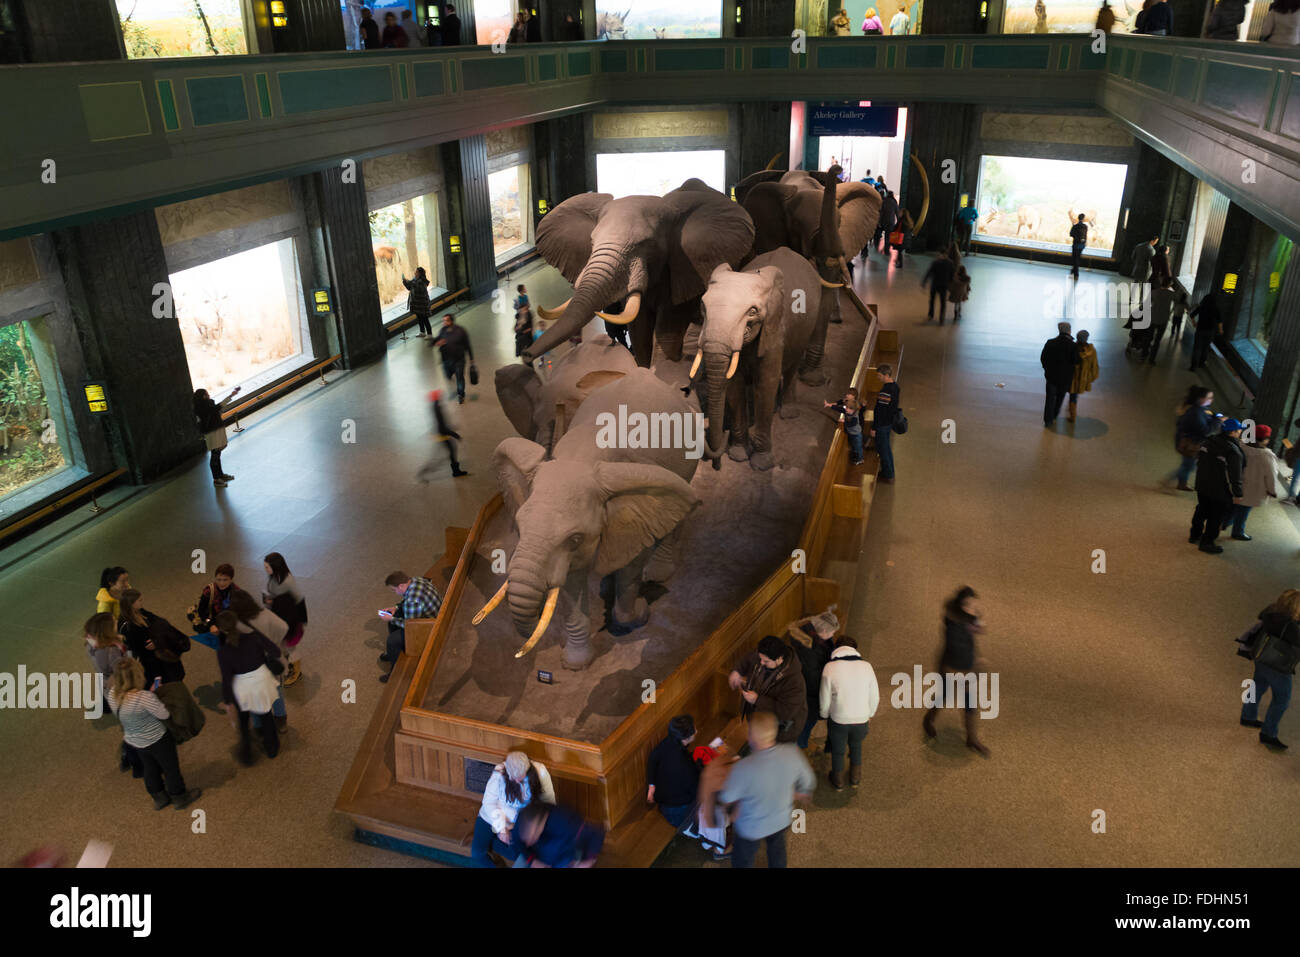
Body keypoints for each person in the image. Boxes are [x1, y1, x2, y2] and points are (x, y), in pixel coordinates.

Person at [717, 711, 815, 868]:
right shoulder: (792, 752)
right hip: (780, 819)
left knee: (744, 858)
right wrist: (795, 793)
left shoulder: (743, 768)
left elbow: (727, 797)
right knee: (777, 850)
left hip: (750, 827)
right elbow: (808, 782)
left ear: (752, 737)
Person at [107, 657, 201, 810]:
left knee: (149, 768)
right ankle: (179, 796)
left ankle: (159, 797)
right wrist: (154, 694)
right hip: (157, 739)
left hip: (135, 740)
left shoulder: (112, 694)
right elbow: (164, 714)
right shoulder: (144, 697)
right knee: (170, 768)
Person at [922, 586, 990, 756]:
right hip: (951, 669)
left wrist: (977, 657)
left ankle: (971, 738)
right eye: (970, 605)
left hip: (967, 669)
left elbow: (972, 641)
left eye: (975, 604)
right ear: (961, 606)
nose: (974, 608)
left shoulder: (968, 619)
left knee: (970, 703)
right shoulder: (953, 626)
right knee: (943, 696)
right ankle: (928, 720)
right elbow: (956, 651)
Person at [215, 610, 281, 765]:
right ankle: (272, 749)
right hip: (261, 681)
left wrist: (227, 699)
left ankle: (247, 755)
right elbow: (275, 651)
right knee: (266, 715)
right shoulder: (253, 637)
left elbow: (227, 678)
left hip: (242, 687)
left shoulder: (223, 652)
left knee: (243, 721)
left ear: (220, 630)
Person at [472, 750, 555, 867]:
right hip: (490, 817)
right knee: (477, 853)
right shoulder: (499, 772)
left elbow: (549, 802)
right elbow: (489, 802)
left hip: (519, 821)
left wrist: (537, 824)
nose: (516, 781)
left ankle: (488, 840)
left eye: (520, 778)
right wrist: (501, 828)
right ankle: (486, 840)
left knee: (515, 854)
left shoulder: (540, 772)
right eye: (513, 778)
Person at [1240, 590, 1300, 748]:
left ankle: (1247, 716)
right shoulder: (1290, 626)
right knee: (1281, 700)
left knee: (1256, 686)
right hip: (1277, 666)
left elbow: (1262, 617)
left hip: (1261, 656)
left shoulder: (1271, 611)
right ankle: (1268, 733)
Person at [819, 636, 879, 791]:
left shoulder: (829, 668)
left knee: (838, 749)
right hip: (862, 718)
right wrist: (870, 714)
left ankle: (838, 780)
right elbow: (875, 696)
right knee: (856, 745)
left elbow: (824, 697)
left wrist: (824, 715)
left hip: (838, 718)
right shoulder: (867, 666)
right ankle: (855, 777)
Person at [728, 635, 807, 745]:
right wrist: (737, 671)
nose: (761, 663)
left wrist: (757, 700)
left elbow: (785, 712)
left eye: (766, 661)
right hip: (759, 722)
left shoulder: (795, 682)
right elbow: (748, 658)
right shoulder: (764, 654)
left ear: (780, 659)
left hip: (779, 732)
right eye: (761, 659)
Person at [230, 589, 290, 734]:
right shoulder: (264, 614)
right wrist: (274, 643)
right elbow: (284, 627)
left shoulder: (237, 624)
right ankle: (281, 720)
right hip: (271, 661)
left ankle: (259, 726)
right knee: (276, 691)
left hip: (251, 665)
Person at [1190, 417, 1244, 554]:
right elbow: (1235, 476)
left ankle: (1194, 535)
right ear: (1232, 432)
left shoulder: (1208, 441)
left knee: (1201, 510)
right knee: (1215, 517)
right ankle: (1207, 543)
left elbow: (1199, 460)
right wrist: (1238, 494)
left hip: (1202, 484)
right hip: (1219, 490)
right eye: (1238, 430)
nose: (1240, 433)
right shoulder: (1233, 451)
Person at [378, 571, 442, 682]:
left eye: (394, 590)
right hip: (434, 615)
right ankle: (393, 652)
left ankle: (395, 673)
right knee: (394, 616)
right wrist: (396, 608)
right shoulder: (416, 580)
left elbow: (411, 626)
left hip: (430, 627)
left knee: (392, 641)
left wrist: (391, 619)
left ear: (401, 586)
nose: (395, 592)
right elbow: (406, 599)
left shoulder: (412, 601)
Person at [1224, 424, 1285, 540]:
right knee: (1243, 511)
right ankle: (1238, 532)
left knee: (1234, 505)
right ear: (1265, 440)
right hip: (1253, 489)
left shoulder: (1240, 447)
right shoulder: (1267, 456)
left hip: (1236, 484)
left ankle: (1224, 523)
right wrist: (1272, 491)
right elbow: (1271, 476)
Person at [790, 607, 839, 752]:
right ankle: (800, 748)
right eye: (832, 632)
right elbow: (812, 678)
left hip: (814, 687)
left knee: (808, 720)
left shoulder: (817, 638)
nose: (833, 635)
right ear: (823, 631)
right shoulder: (809, 650)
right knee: (807, 721)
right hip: (810, 692)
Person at [118, 589, 190, 686]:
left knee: (175, 679)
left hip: (163, 657)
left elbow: (160, 624)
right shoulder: (127, 627)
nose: (142, 602)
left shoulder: (141, 612)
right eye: (139, 600)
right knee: (162, 686)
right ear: (131, 604)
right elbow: (135, 649)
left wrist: (157, 641)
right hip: (152, 665)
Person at [646, 715, 702, 829]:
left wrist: (651, 786)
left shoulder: (667, 742)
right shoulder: (684, 765)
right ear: (685, 738)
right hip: (678, 814)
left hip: (664, 802)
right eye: (694, 730)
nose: (697, 731)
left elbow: (652, 759)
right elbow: (696, 790)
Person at [513, 800, 605, 867]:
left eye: (531, 839)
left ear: (539, 827)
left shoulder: (565, 821)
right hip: (536, 856)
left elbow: (596, 833)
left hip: (565, 858)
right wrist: (531, 860)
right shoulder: (523, 819)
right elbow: (517, 841)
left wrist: (589, 860)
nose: (528, 844)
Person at [262, 552, 307, 687]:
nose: (266, 570)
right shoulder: (273, 577)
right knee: (284, 644)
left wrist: (302, 620)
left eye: (267, 567)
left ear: (276, 567)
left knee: (290, 646)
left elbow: (299, 599)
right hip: (279, 616)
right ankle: (289, 659)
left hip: (290, 620)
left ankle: (296, 671)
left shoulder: (288, 581)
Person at [192, 385, 242, 487]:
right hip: (211, 432)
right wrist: (231, 395)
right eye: (207, 394)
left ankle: (220, 475)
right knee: (215, 454)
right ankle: (216, 479)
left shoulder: (207, 405)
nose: (209, 395)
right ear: (203, 396)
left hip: (216, 429)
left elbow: (216, 410)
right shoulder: (202, 407)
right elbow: (218, 407)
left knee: (217, 453)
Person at [1171, 385, 1217, 490]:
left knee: (1187, 464)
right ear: (1201, 399)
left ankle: (1182, 484)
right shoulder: (1195, 413)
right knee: (1189, 466)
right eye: (1209, 397)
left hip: (1187, 442)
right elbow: (1205, 430)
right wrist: (1218, 421)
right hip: (1190, 444)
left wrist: (1215, 417)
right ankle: (1168, 480)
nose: (1211, 400)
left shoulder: (1198, 409)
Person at [417, 389, 469, 480]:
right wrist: (455, 434)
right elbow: (442, 426)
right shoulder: (438, 408)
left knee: (450, 451)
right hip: (442, 435)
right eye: (439, 396)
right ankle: (425, 471)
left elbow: (441, 423)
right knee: (443, 454)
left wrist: (451, 428)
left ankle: (455, 471)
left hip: (440, 433)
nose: (441, 397)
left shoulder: (435, 406)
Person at [188, 563, 238, 649]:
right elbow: (201, 610)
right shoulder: (209, 591)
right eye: (219, 579)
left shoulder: (236, 591)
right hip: (211, 619)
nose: (221, 583)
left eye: (225, 580)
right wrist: (211, 624)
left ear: (231, 579)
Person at [1040, 321, 1079, 428]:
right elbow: (1076, 361)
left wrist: (1046, 369)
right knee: (1060, 397)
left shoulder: (1050, 343)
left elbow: (1043, 358)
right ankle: (1054, 416)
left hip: (1051, 376)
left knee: (1050, 398)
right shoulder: (1073, 346)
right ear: (1069, 331)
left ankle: (1048, 420)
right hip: (1065, 378)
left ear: (1059, 330)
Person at [431, 313, 474, 404]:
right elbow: (435, 341)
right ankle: (452, 376)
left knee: (459, 377)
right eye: (443, 320)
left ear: (451, 321)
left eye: (446, 320)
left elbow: (467, 345)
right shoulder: (442, 330)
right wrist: (436, 343)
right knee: (448, 375)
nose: (444, 322)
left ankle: (461, 395)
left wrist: (471, 358)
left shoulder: (460, 331)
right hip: (446, 360)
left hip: (459, 360)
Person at [84, 613, 126, 707]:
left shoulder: (91, 641)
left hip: (104, 679)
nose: (117, 622)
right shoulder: (111, 650)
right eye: (114, 622)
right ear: (107, 630)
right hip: (115, 681)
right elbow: (119, 668)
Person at [870, 364, 900, 482]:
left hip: (882, 425)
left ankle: (888, 475)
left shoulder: (886, 391)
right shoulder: (895, 386)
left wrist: (874, 427)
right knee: (886, 448)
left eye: (880, 376)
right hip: (889, 422)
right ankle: (890, 471)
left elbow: (880, 412)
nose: (878, 378)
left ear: (886, 375)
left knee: (883, 449)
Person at [825, 388, 864, 466]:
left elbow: (851, 424)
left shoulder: (855, 417)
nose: (846, 409)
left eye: (848, 409)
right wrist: (830, 405)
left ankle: (860, 459)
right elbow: (840, 408)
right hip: (851, 433)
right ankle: (856, 454)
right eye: (846, 408)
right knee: (854, 445)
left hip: (856, 434)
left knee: (857, 447)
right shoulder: (847, 409)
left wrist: (844, 421)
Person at [1068, 330, 1099, 423]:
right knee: (1074, 396)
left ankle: (1072, 415)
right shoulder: (1091, 350)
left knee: (1072, 395)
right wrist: (1092, 377)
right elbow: (1094, 365)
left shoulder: (1073, 348)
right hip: (1083, 378)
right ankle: (1072, 414)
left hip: (1072, 377)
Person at [1189, 292, 1222, 371]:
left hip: (1200, 330)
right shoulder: (1216, 309)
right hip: (1210, 331)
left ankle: (1193, 366)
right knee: (1205, 348)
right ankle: (1201, 364)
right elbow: (1219, 321)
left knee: (1197, 348)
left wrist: (1194, 323)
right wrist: (1221, 330)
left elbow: (1191, 315)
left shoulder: (1201, 307)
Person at [1147, 277, 1178, 364]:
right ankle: (1151, 359)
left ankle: (1144, 354)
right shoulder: (1171, 294)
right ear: (1170, 284)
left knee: (1149, 337)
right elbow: (1178, 301)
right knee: (1157, 340)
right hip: (1163, 319)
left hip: (1152, 318)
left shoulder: (1154, 292)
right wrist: (1171, 312)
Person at [922, 254, 956, 324]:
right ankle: (941, 318)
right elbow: (952, 274)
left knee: (932, 300)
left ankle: (931, 315)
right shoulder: (950, 263)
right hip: (944, 285)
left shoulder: (936, 262)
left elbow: (929, 272)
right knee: (943, 302)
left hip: (935, 284)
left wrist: (924, 282)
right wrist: (950, 283)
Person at [402, 267, 432, 337]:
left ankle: (430, 334)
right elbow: (410, 288)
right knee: (419, 318)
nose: (415, 273)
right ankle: (422, 332)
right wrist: (405, 282)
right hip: (417, 304)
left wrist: (410, 282)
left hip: (422, 304)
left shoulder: (422, 281)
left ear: (420, 273)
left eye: (416, 272)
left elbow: (419, 289)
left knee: (425, 319)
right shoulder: (414, 280)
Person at [1068, 213, 1088, 279]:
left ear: (1078, 218)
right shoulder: (1085, 227)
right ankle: (1073, 272)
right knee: (1078, 258)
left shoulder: (1075, 226)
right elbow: (1085, 235)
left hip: (1076, 244)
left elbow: (1071, 234)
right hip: (1082, 245)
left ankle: (1075, 274)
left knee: (1075, 259)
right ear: (1083, 219)